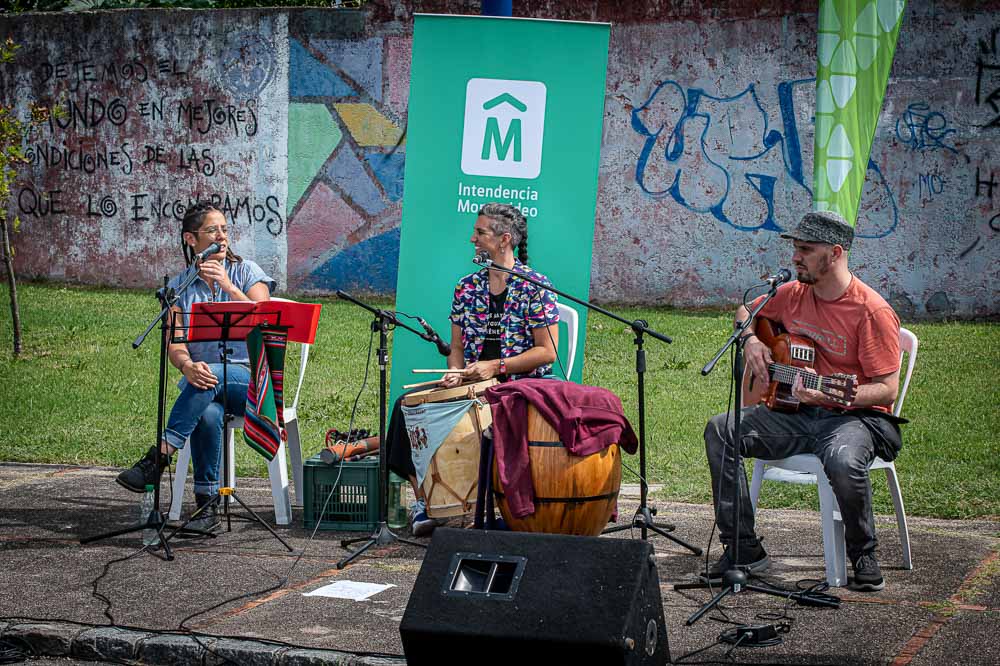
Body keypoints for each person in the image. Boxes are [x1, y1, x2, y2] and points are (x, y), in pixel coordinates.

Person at [703, 210, 903, 592]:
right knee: (721, 429)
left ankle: (863, 552)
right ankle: (744, 550)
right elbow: (745, 312)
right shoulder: (793, 294)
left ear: (836, 253)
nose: (795, 257)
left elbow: (886, 389)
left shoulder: (871, 311)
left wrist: (836, 394)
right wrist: (753, 342)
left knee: (843, 458)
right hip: (795, 412)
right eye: (795, 248)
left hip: (853, 419)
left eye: (806, 250)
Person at [387, 202, 560, 536]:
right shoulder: (467, 288)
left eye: (480, 232)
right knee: (404, 409)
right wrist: (455, 371)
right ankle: (426, 502)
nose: (473, 239)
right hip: (472, 384)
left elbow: (547, 352)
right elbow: (457, 350)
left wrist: (496, 366)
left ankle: (503, 503)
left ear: (504, 239)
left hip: (519, 385)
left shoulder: (535, 285)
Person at [116, 202, 276, 531]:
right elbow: (175, 346)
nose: (222, 236)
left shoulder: (247, 272)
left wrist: (229, 288)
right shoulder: (178, 288)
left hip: (250, 379)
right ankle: (206, 507)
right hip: (207, 385)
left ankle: (158, 456)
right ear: (191, 239)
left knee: (212, 376)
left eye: (225, 230)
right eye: (213, 230)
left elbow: (267, 321)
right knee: (207, 410)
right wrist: (187, 366)